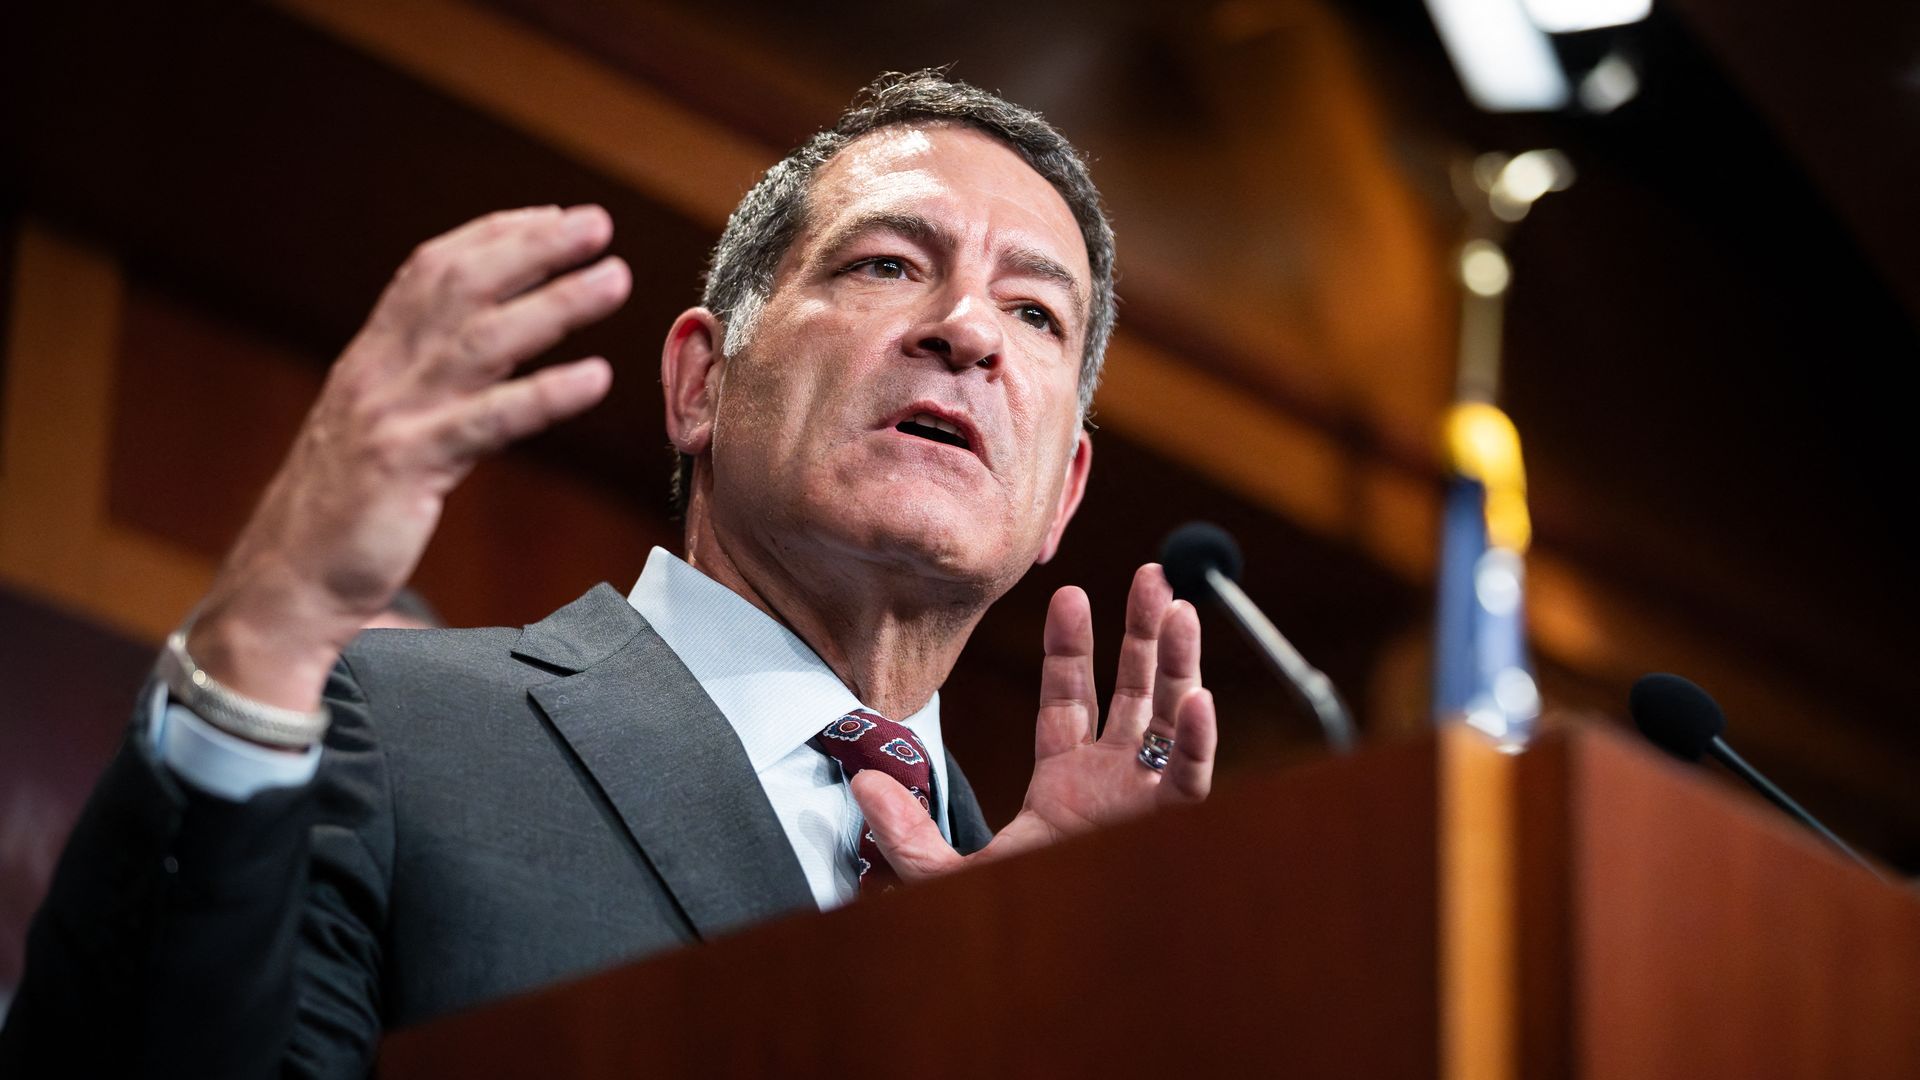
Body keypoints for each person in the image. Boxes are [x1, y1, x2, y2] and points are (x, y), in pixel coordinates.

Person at [0, 70, 1217, 1077]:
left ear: (1062, 494)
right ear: (702, 384)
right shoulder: (382, 726)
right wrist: (265, 637)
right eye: (888, 265)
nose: (970, 331)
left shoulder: (1041, 911)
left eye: (1037, 315)